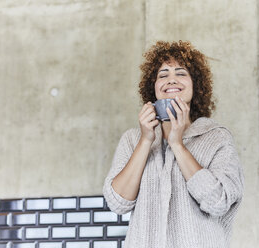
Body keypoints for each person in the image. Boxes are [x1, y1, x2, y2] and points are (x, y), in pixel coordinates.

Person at [103, 40, 245, 248]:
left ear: (196, 85)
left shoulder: (217, 138)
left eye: (181, 73)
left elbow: (220, 202)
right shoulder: (132, 139)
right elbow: (117, 202)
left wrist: (177, 145)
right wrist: (145, 140)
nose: (171, 80)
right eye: (163, 75)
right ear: (153, 88)